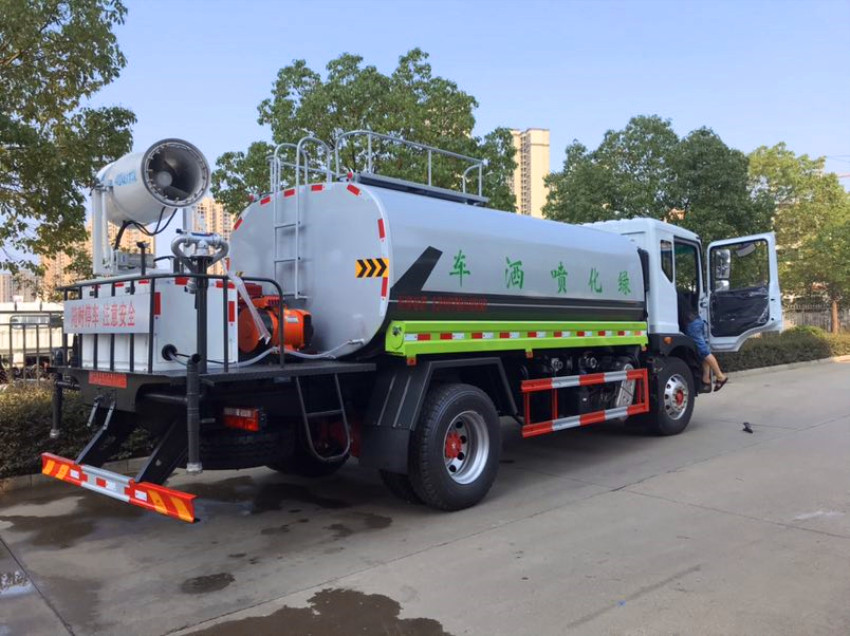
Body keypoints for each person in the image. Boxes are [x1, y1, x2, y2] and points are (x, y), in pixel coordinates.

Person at [677, 292, 728, 392]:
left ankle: (720, 376)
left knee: (704, 352)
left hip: (691, 324)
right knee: (703, 352)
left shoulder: (671, 295)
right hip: (697, 321)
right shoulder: (679, 294)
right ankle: (706, 380)